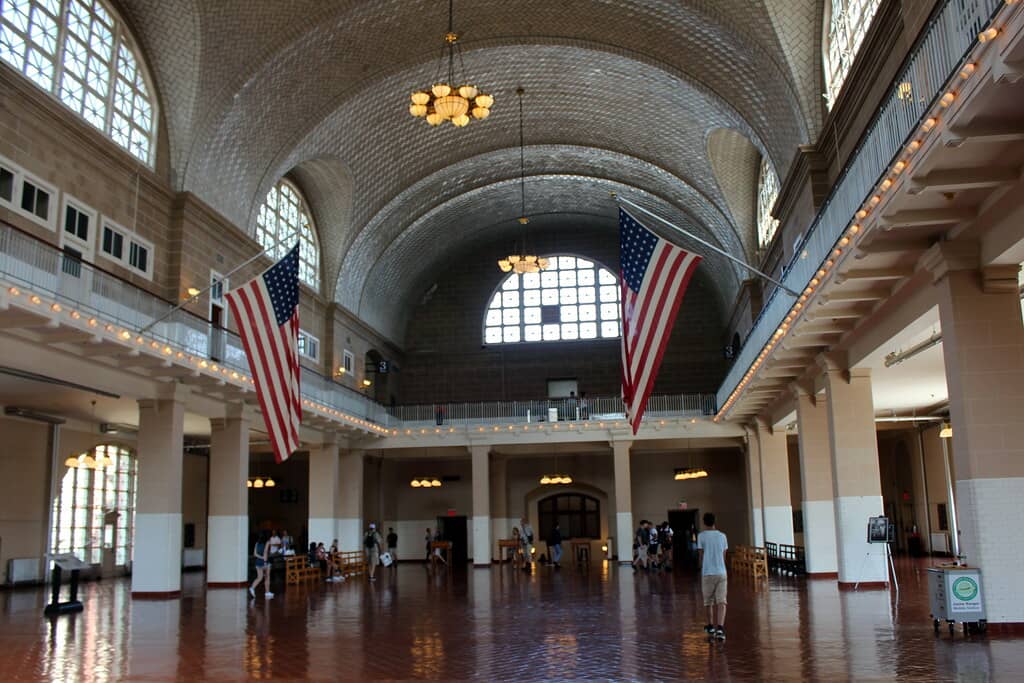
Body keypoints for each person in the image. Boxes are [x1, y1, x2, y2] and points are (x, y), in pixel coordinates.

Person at [697, 512, 728, 641]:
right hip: (721, 572)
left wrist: (701, 567)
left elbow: (701, 554)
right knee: (722, 601)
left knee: (708, 602)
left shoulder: (701, 536)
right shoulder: (722, 536)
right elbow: (724, 554)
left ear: (704, 522)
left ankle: (710, 626)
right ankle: (720, 628)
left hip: (707, 572)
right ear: (715, 521)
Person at [249, 530, 273, 599]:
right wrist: (265, 561)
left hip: (258, 562)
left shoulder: (257, 543)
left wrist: (261, 558)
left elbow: (255, 554)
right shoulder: (267, 542)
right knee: (267, 577)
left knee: (259, 577)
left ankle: (252, 588)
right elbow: (265, 551)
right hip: (265, 562)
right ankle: (267, 592)